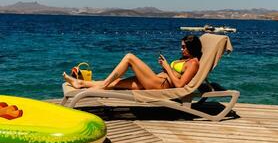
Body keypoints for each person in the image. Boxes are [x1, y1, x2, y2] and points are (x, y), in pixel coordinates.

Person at [63, 35, 202, 90]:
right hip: (155, 79)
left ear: (192, 47)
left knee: (129, 57)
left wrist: (167, 67)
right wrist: (165, 68)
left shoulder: (193, 63)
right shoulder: (185, 60)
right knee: (116, 83)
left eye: (184, 47)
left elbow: (179, 85)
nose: (181, 49)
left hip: (160, 85)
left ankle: (102, 85)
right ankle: (81, 83)